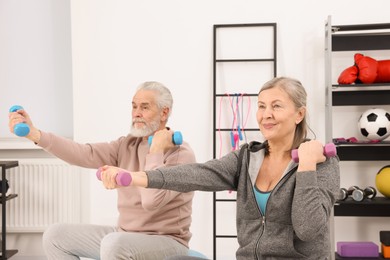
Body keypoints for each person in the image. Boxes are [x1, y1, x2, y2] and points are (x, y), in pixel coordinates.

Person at [99, 77, 341, 259]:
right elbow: (199, 174)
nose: (266, 115)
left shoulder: (323, 162)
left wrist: (307, 166)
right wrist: (135, 177)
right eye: (261, 106)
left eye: (276, 106)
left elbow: (308, 229)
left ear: (299, 114)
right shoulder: (247, 157)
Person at [8, 81, 197, 260]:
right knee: (55, 236)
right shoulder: (127, 144)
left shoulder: (180, 155)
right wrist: (35, 134)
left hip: (168, 241)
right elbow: (83, 153)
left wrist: (155, 151)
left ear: (164, 113)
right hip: (125, 236)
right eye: (134, 106)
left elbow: (150, 201)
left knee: (114, 243)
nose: (136, 113)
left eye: (145, 107)